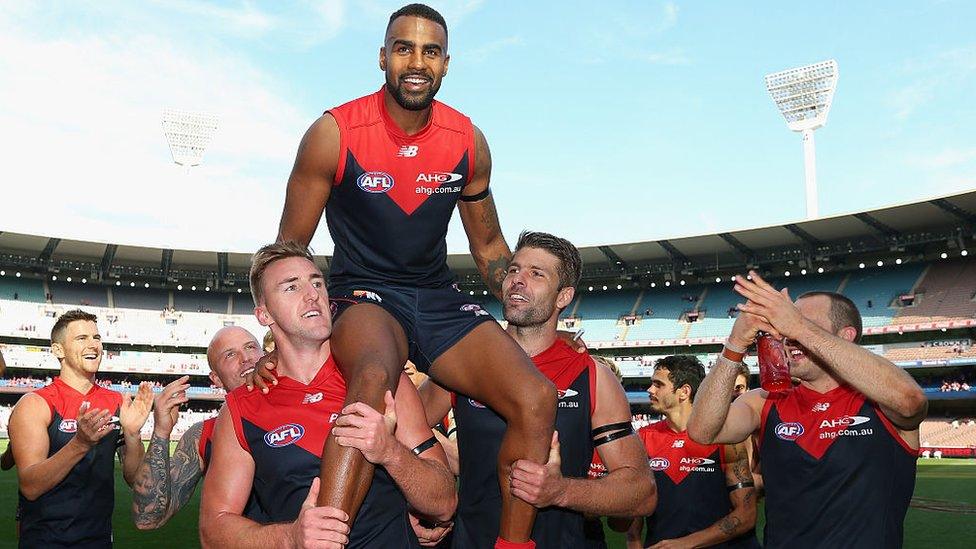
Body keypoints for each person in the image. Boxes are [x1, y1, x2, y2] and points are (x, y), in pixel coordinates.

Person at [274, 4, 555, 546]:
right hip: (362, 293)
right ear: (383, 57)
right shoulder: (334, 133)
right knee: (373, 381)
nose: (417, 62)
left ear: (447, 64)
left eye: (430, 51)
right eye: (404, 48)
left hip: (436, 295)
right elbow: (290, 248)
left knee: (537, 398)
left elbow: (490, 245)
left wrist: (525, 305)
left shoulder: (468, 141)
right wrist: (277, 335)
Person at [200, 241, 456, 548]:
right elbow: (213, 531)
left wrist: (390, 452)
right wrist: (290, 537)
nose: (312, 295)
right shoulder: (242, 408)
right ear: (264, 314)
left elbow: (444, 502)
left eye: (317, 282)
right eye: (291, 287)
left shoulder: (379, 378)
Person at [420, 232, 656, 548]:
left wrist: (561, 491)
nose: (518, 280)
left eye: (536, 274)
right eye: (514, 270)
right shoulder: (465, 365)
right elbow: (399, 431)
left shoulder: (591, 376)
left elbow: (642, 492)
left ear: (563, 296)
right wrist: (417, 504)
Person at [688, 273, 928, 548]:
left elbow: (911, 402)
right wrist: (734, 345)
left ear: (845, 336)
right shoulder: (765, 401)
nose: (788, 336)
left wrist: (799, 326)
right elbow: (702, 430)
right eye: (786, 327)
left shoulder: (882, 401)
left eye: (804, 323)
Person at [7, 309, 153, 547]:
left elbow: (135, 479)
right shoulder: (36, 404)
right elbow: (30, 486)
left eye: (96, 338)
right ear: (58, 350)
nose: (93, 345)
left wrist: (133, 434)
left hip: (99, 540)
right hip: (45, 541)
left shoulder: (115, 401)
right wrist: (80, 444)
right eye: (81, 338)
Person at [130, 326, 264, 529]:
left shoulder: (305, 404)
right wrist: (161, 432)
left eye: (250, 347)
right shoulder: (202, 435)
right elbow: (147, 518)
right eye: (230, 354)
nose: (245, 358)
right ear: (216, 379)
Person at [622, 355, 758, 548]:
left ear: (684, 392)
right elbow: (633, 526)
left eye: (658, 384)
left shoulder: (724, 438)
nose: (650, 390)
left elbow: (746, 514)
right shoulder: (643, 438)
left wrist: (686, 544)